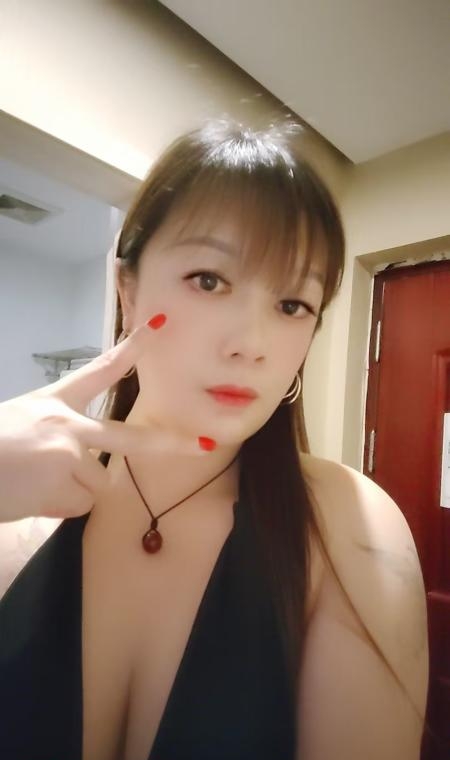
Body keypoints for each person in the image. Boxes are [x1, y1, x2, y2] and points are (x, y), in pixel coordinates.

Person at [0, 119, 429, 760]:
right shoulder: (19, 517)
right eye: (209, 280)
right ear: (127, 289)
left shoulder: (347, 530)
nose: (250, 345)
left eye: (292, 305)